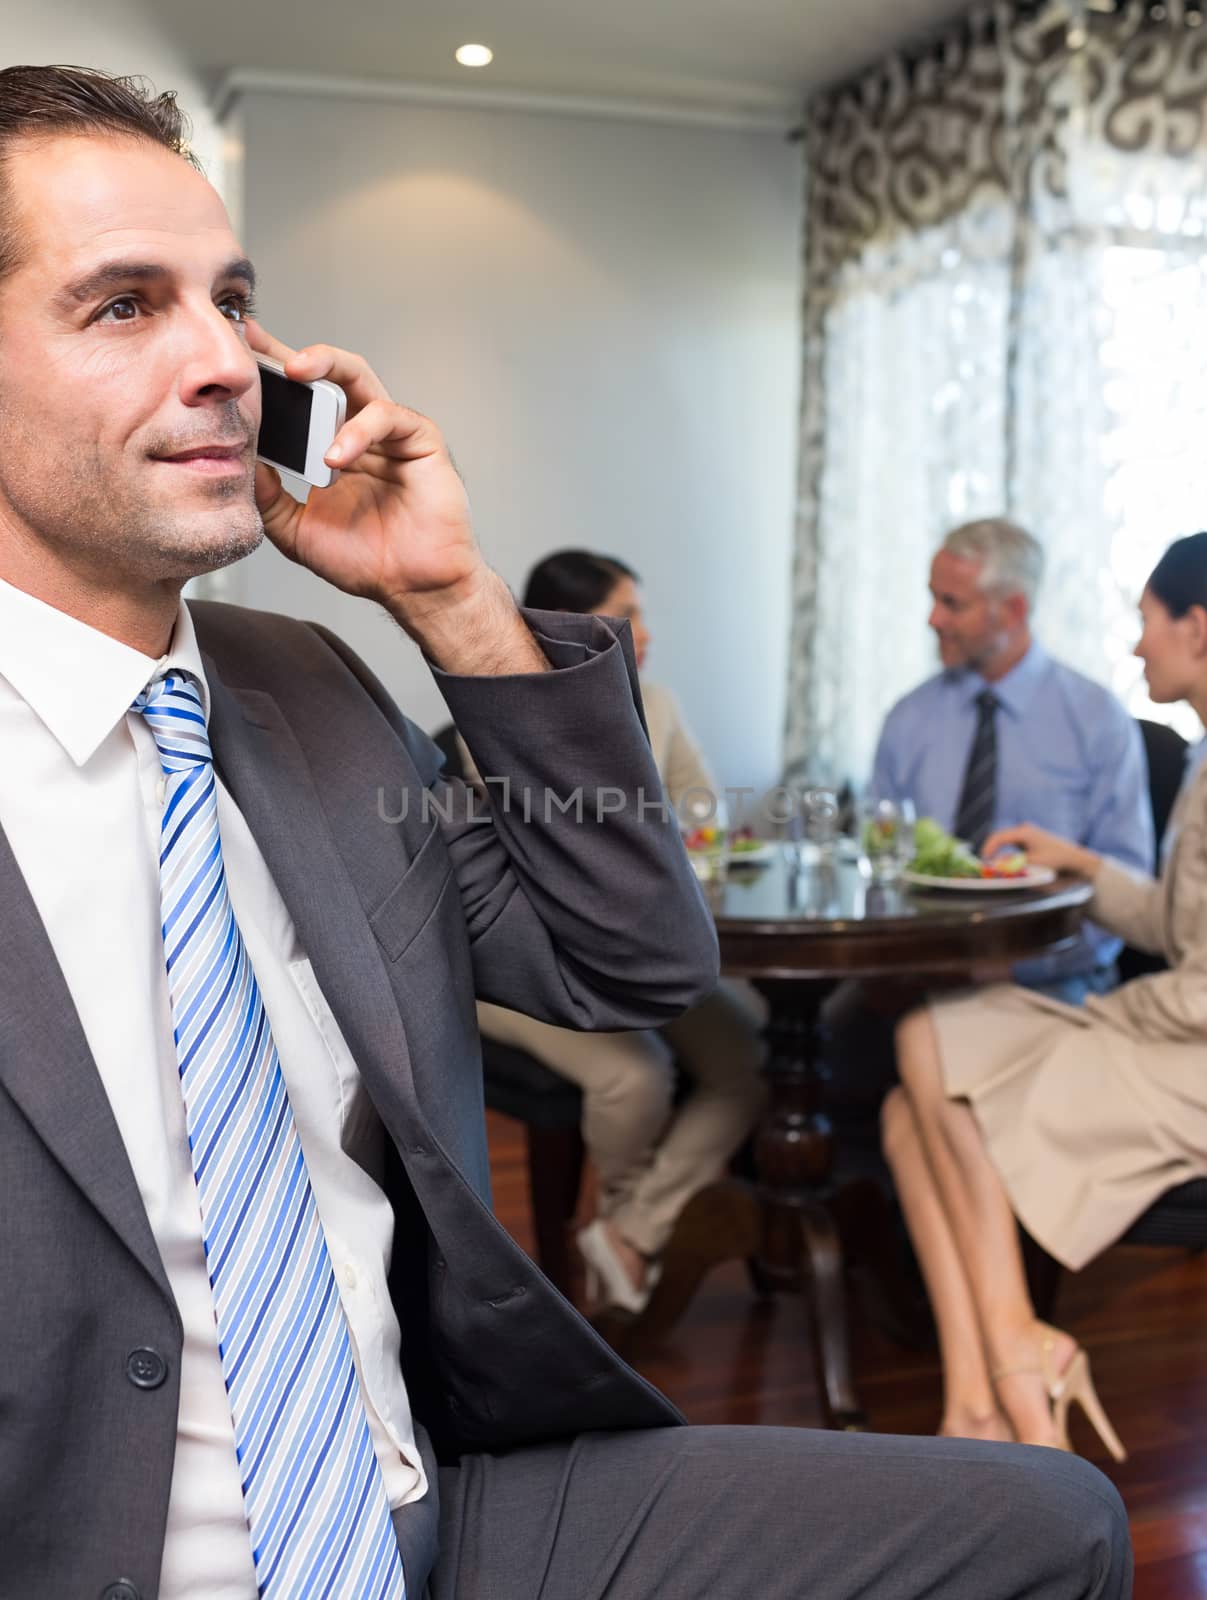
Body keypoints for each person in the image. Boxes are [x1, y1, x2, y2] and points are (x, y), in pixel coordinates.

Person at [0, 63, 1131, 1600]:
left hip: (431, 1505)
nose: (223, 360)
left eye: (231, 298)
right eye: (125, 305)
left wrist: (455, 606)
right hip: (114, 1551)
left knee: (1048, 1528)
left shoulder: (311, 694)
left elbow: (630, 960)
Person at [883, 532, 1207, 1456]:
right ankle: (981, 1403)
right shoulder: (1198, 760)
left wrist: (1128, 1011)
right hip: (1160, 1029)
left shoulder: (1114, 725)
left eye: (1146, 623)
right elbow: (1174, 928)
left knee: (927, 1050)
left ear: (1196, 625)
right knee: (915, 1093)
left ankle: (1011, 1372)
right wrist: (1075, 861)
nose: (1137, 644)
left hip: (1176, 1052)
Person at [465, 550, 766, 1313]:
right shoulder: (495, 720)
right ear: (575, 626)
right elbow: (520, 875)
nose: (647, 635)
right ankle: (615, 1245)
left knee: (748, 1056)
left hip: (637, 953)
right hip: (527, 967)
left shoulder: (655, 704)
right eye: (628, 616)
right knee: (636, 1076)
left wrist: (654, 844)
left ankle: (628, 1229)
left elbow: (703, 816)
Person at [872, 517, 1152, 1002]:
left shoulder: (1097, 720)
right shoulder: (908, 719)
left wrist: (1013, 968)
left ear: (1014, 610)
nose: (933, 619)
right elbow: (876, 859)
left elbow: (1126, 888)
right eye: (933, 597)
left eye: (952, 604)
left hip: (1052, 988)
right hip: (913, 977)